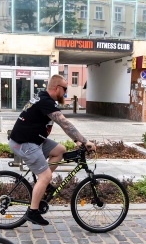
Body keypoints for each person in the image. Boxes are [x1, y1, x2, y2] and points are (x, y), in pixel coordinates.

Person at [8, 74, 96, 227]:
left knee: (59, 150)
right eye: (65, 89)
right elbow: (64, 123)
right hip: (24, 143)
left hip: (34, 139)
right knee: (45, 176)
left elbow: (61, 124)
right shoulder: (46, 101)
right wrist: (84, 141)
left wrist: (75, 139)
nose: (66, 93)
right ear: (57, 88)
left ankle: (44, 184)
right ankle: (32, 211)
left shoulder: (43, 98)